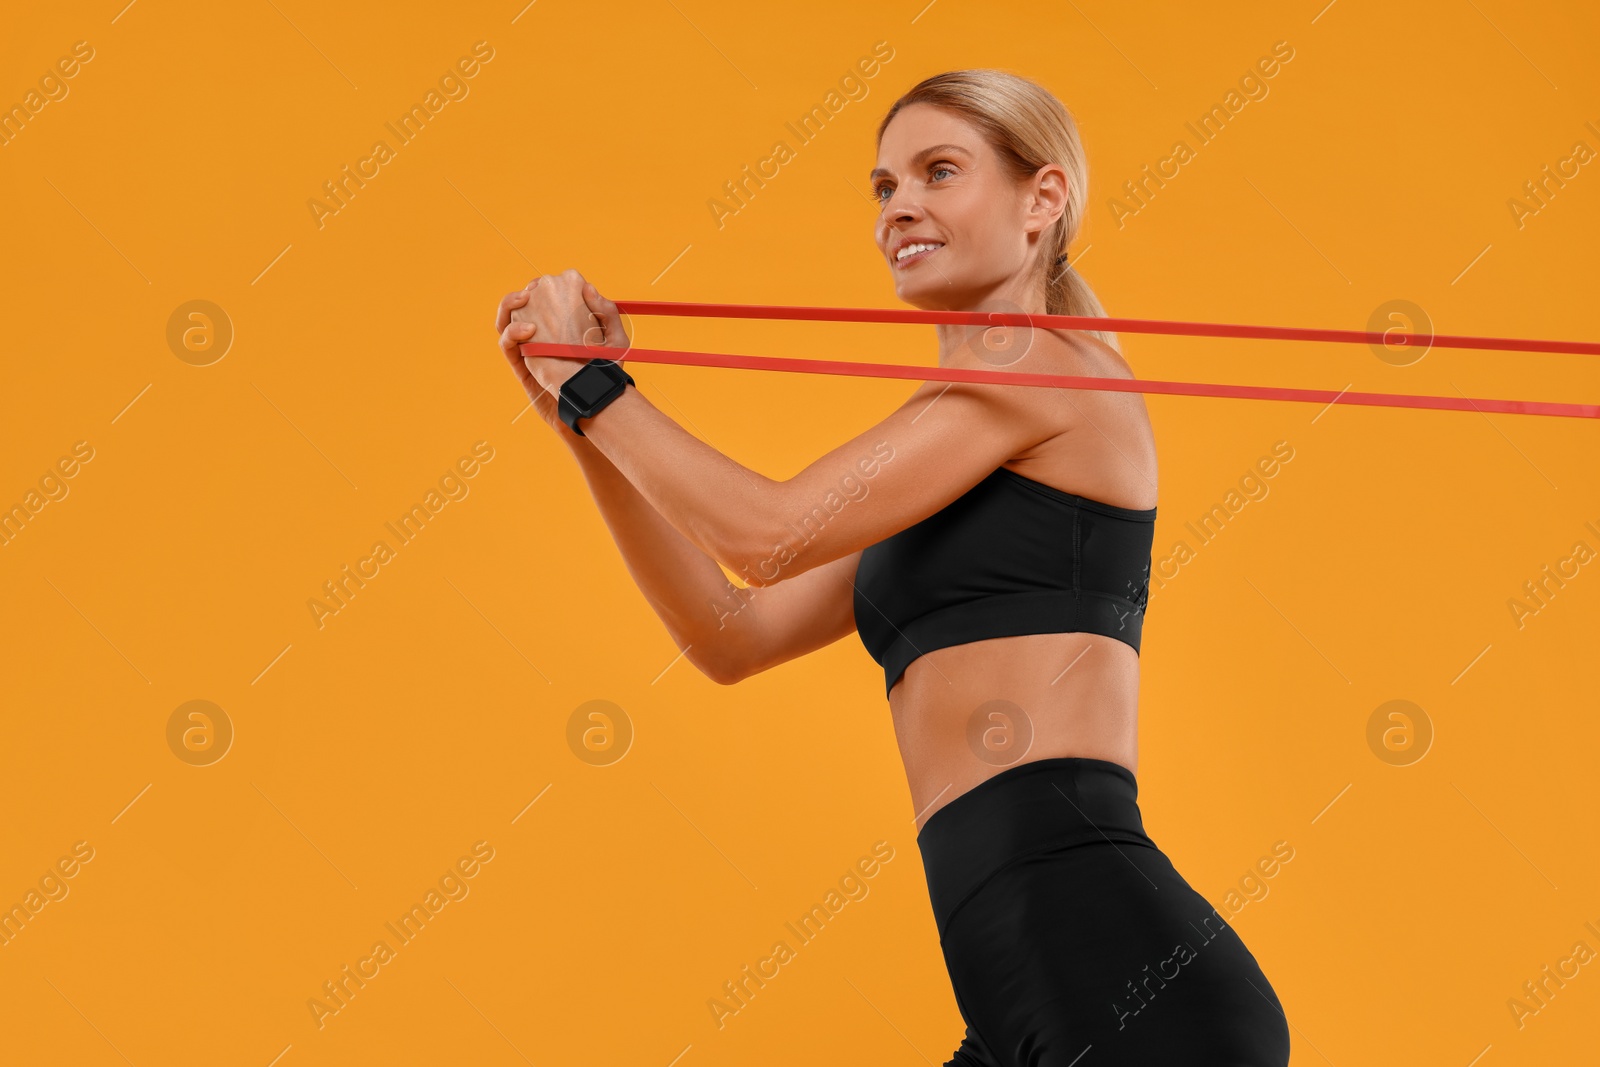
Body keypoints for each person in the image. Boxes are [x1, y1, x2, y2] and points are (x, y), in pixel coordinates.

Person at [495, 67, 1290, 1067]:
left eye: (938, 172)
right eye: (882, 186)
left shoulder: (1037, 369)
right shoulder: (956, 428)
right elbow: (732, 632)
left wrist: (598, 387)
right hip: (1020, 986)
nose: (899, 204)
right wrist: (582, 421)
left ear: (1041, 199)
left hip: (1109, 968)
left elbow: (769, 531)